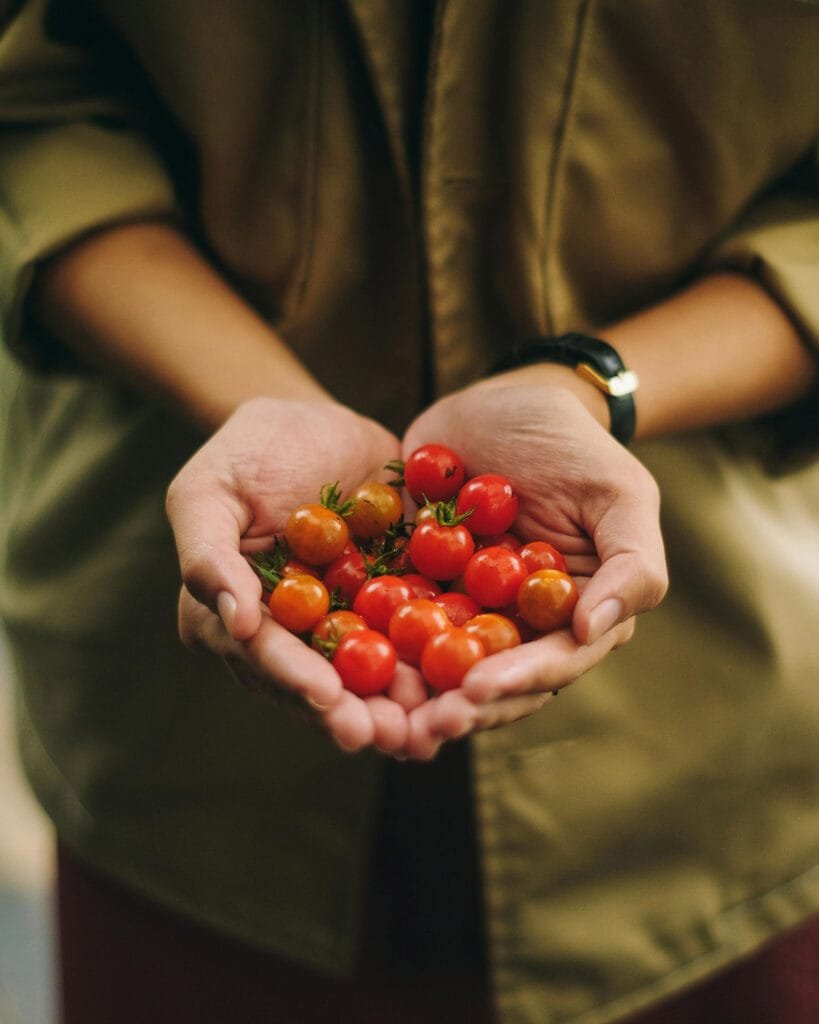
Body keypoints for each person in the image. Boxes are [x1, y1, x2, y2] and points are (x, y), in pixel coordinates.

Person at [1, 2, 818, 1022]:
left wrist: (588, 388)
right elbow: (31, 107)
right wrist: (266, 399)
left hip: (708, 766)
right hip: (184, 768)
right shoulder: (374, 562)